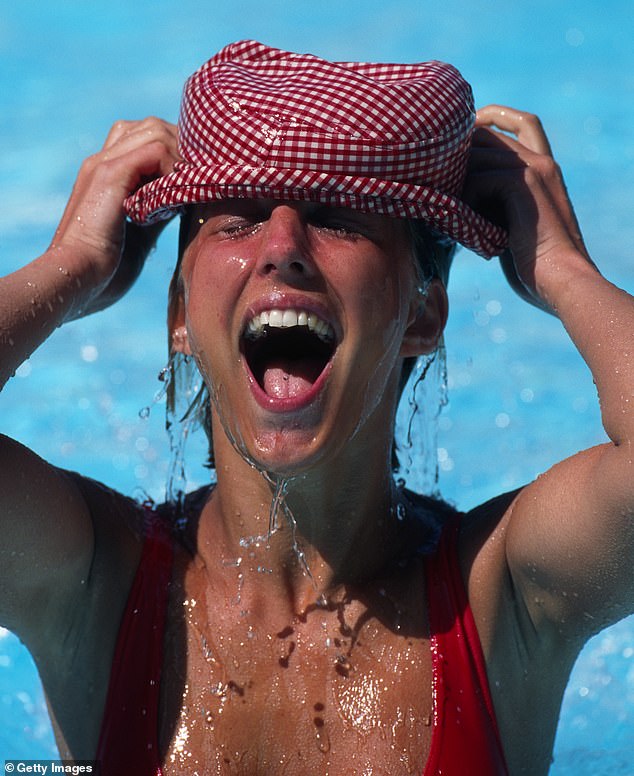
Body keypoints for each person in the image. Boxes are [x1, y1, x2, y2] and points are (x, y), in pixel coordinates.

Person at [1, 39, 632, 776]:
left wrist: (563, 270)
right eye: (235, 219)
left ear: (424, 316)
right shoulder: (94, 587)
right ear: (180, 314)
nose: (282, 246)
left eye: (340, 220)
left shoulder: (498, 600)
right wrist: (69, 265)